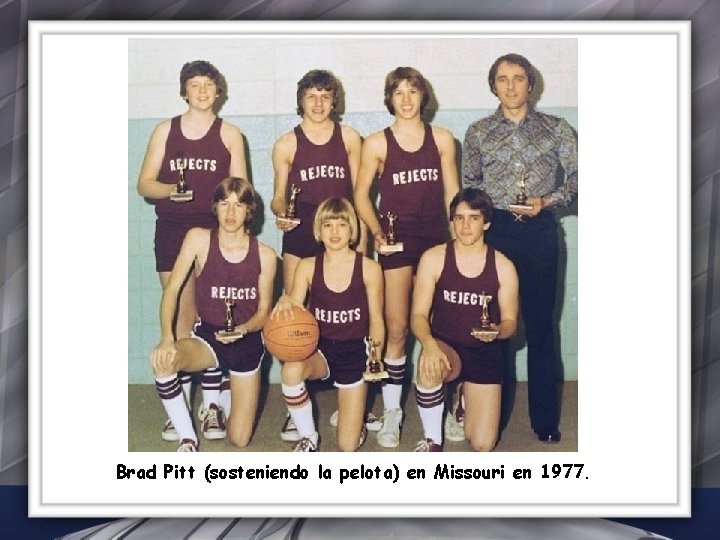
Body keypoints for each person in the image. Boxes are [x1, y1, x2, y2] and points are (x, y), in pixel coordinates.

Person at [461, 53, 578, 443]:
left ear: (531, 84)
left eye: (518, 78)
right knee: (494, 328)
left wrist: (547, 201)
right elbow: (470, 190)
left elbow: (580, 181)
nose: (511, 86)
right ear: (493, 85)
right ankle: (494, 415)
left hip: (541, 233)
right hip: (497, 237)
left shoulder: (557, 129)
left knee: (542, 329)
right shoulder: (478, 132)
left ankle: (545, 422)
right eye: (503, 79)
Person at [137, 60, 247, 442]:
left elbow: (242, 190)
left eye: (208, 84)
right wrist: (170, 189)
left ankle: (212, 405)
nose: (202, 90)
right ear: (184, 91)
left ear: (219, 91)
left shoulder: (230, 134)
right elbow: (144, 184)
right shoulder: (165, 130)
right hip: (172, 230)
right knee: (180, 317)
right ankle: (179, 405)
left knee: (213, 316)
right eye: (194, 84)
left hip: (214, 232)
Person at [354, 66, 459, 447]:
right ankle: (393, 410)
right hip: (398, 244)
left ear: (422, 96)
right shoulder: (377, 144)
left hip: (435, 241)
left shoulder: (443, 140)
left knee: (438, 327)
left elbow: (453, 194)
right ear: (390, 99)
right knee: (397, 328)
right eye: (398, 92)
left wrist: (459, 240)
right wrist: (379, 231)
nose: (406, 99)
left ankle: (443, 407)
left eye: (413, 91)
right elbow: (361, 195)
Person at [270, 69, 365, 442]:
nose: (319, 103)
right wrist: (281, 212)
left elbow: (359, 195)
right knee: (292, 314)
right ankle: (298, 408)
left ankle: (351, 395)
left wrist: (364, 242)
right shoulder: (285, 144)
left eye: (326, 95)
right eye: (312, 96)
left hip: (341, 232)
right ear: (301, 101)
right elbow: (279, 194)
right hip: (300, 232)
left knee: (351, 311)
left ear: (334, 100)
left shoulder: (350, 138)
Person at [149, 177, 277, 451]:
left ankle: (225, 391)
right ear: (215, 208)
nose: (231, 213)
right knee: (164, 361)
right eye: (224, 204)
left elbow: (264, 312)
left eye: (239, 205)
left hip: (247, 345)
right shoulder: (198, 239)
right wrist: (166, 337)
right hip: (208, 338)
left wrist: (242, 329)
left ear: (249, 211)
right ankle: (188, 439)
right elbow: (172, 290)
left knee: (239, 439)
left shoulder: (266, 255)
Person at [271, 198, 384, 452]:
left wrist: (375, 356)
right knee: (291, 370)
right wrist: (285, 302)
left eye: (341, 225)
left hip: (355, 351)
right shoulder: (308, 266)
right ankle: (308, 436)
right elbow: (295, 308)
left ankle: (357, 422)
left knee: (347, 446)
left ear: (352, 229)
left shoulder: (369, 268)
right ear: (318, 230)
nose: (334, 232)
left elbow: (377, 319)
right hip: (320, 350)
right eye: (328, 225)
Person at [411, 188, 518, 451]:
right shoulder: (433, 258)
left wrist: (496, 331)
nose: (466, 225)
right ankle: (433, 440)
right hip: (448, 347)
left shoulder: (504, 266)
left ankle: (463, 398)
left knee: (482, 444)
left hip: (485, 353)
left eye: (474, 218)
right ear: (451, 222)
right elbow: (418, 315)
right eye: (459, 218)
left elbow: (511, 323)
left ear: (487, 223)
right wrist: (430, 345)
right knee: (428, 364)